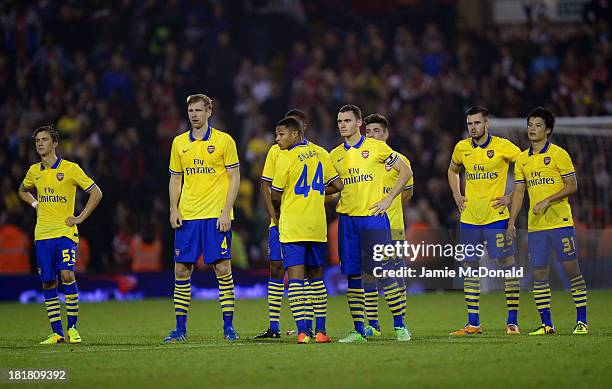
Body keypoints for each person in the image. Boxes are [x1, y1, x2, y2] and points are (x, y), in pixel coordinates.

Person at [330, 104, 412, 343]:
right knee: (353, 277)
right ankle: (359, 330)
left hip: (373, 220)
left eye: (346, 121)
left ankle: (400, 326)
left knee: (385, 273)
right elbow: (333, 186)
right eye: (339, 121)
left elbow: (405, 171)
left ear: (358, 124)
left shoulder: (376, 147)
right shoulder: (334, 154)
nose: (342, 125)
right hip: (347, 221)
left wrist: (389, 198)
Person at [164, 94, 241, 343]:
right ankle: (180, 329)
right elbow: (175, 179)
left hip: (215, 217)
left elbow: (234, 177)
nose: (194, 115)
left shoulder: (224, 141)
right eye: (190, 111)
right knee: (181, 270)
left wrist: (226, 210)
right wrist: (174, 209)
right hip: (188, 216)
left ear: (209, 111)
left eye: (199, 110)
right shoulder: (179, 143)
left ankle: (228, 327)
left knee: (222, 268)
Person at [507, 107, 588, 335]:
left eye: (538, 125)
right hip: (536, 227)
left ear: (548, 129)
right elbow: (519, 193)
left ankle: (582, 321)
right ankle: (547, 324)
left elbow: (572, 186)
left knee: (573, 271)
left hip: (560, 222)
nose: (532, 129)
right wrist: (512, 221)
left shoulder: (560, 154)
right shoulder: (522, 159)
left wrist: (547, 200)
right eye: (530, 124)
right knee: (539, 274)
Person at [18, 125, 103, 344]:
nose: (40, 144)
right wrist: (35, 203)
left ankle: (72, 328)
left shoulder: (71, 169)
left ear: (55, 143)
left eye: (44, 140)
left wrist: (80, 217)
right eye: (37, 140)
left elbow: (96, 192)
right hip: (42, 234)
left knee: (67, 275)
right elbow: (22, 190)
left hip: (65, 232)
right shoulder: (34, 171)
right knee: (47, 282)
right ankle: (56, 333)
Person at [448, 106, 522, 335]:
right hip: (470, 218)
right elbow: (452, 171)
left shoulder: (503, 146)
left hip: (496, 218)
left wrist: (511, 196)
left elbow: (526, 165)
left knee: (507, 266)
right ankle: (473, 323)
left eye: (477, 123)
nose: (473, 127)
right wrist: (457, 194)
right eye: (470, 123)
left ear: (486, 124)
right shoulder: (461, 148)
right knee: (470, 267)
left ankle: (512, 321)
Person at [270, 117, 343, 343]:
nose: (277, 139)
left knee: (296, 279)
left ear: (294, 134)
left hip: (293, 226)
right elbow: (338, 185)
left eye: (281, 134)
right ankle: (320, 332)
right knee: (317, 280)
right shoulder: (322, 152)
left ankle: (302, 332)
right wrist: (317, 191)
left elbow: (275, 192)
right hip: (316, 225)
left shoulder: (285, 157)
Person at [255, 109, 316, 339]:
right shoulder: (275, 151)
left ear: (303, 128)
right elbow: (265, 185)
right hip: (280, 222)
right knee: (277, 268)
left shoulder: (314, 153)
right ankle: (274, 326)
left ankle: (306, 325)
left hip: (305, 222)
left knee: (307, 272)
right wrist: (274, 217)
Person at [362, 113, 414, 338]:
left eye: (376, 131)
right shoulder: (363, 159)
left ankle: (400, 322)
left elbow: (408, 193)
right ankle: (373, 324)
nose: (372, 135)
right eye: (369, 131)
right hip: (369, 227)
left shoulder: (399, 160)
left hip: (393, 226)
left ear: (386, 134)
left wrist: (389, 204)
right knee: (369, 274)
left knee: (395, 273)